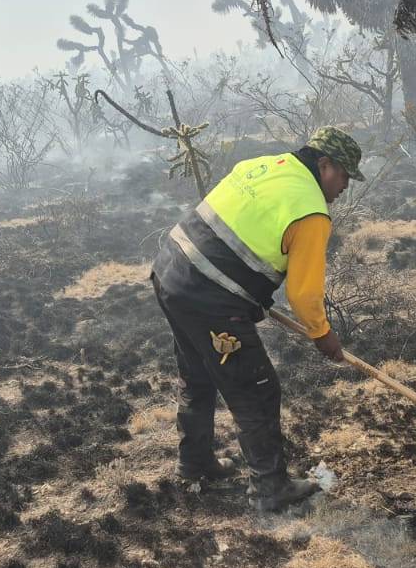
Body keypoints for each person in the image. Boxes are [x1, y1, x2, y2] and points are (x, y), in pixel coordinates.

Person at [151, 126, 365, 512]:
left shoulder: (264, 165)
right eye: (344, 175)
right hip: (208, 297)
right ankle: (270, 488)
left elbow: (240, 234)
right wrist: (323, 335)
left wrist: (251, 292)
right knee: (257, 389)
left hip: (170, 269)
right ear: (324, 164)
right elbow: (303, 295)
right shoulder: (312, 211)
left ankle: (195, 463)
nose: (345, 186)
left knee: (198, 374)